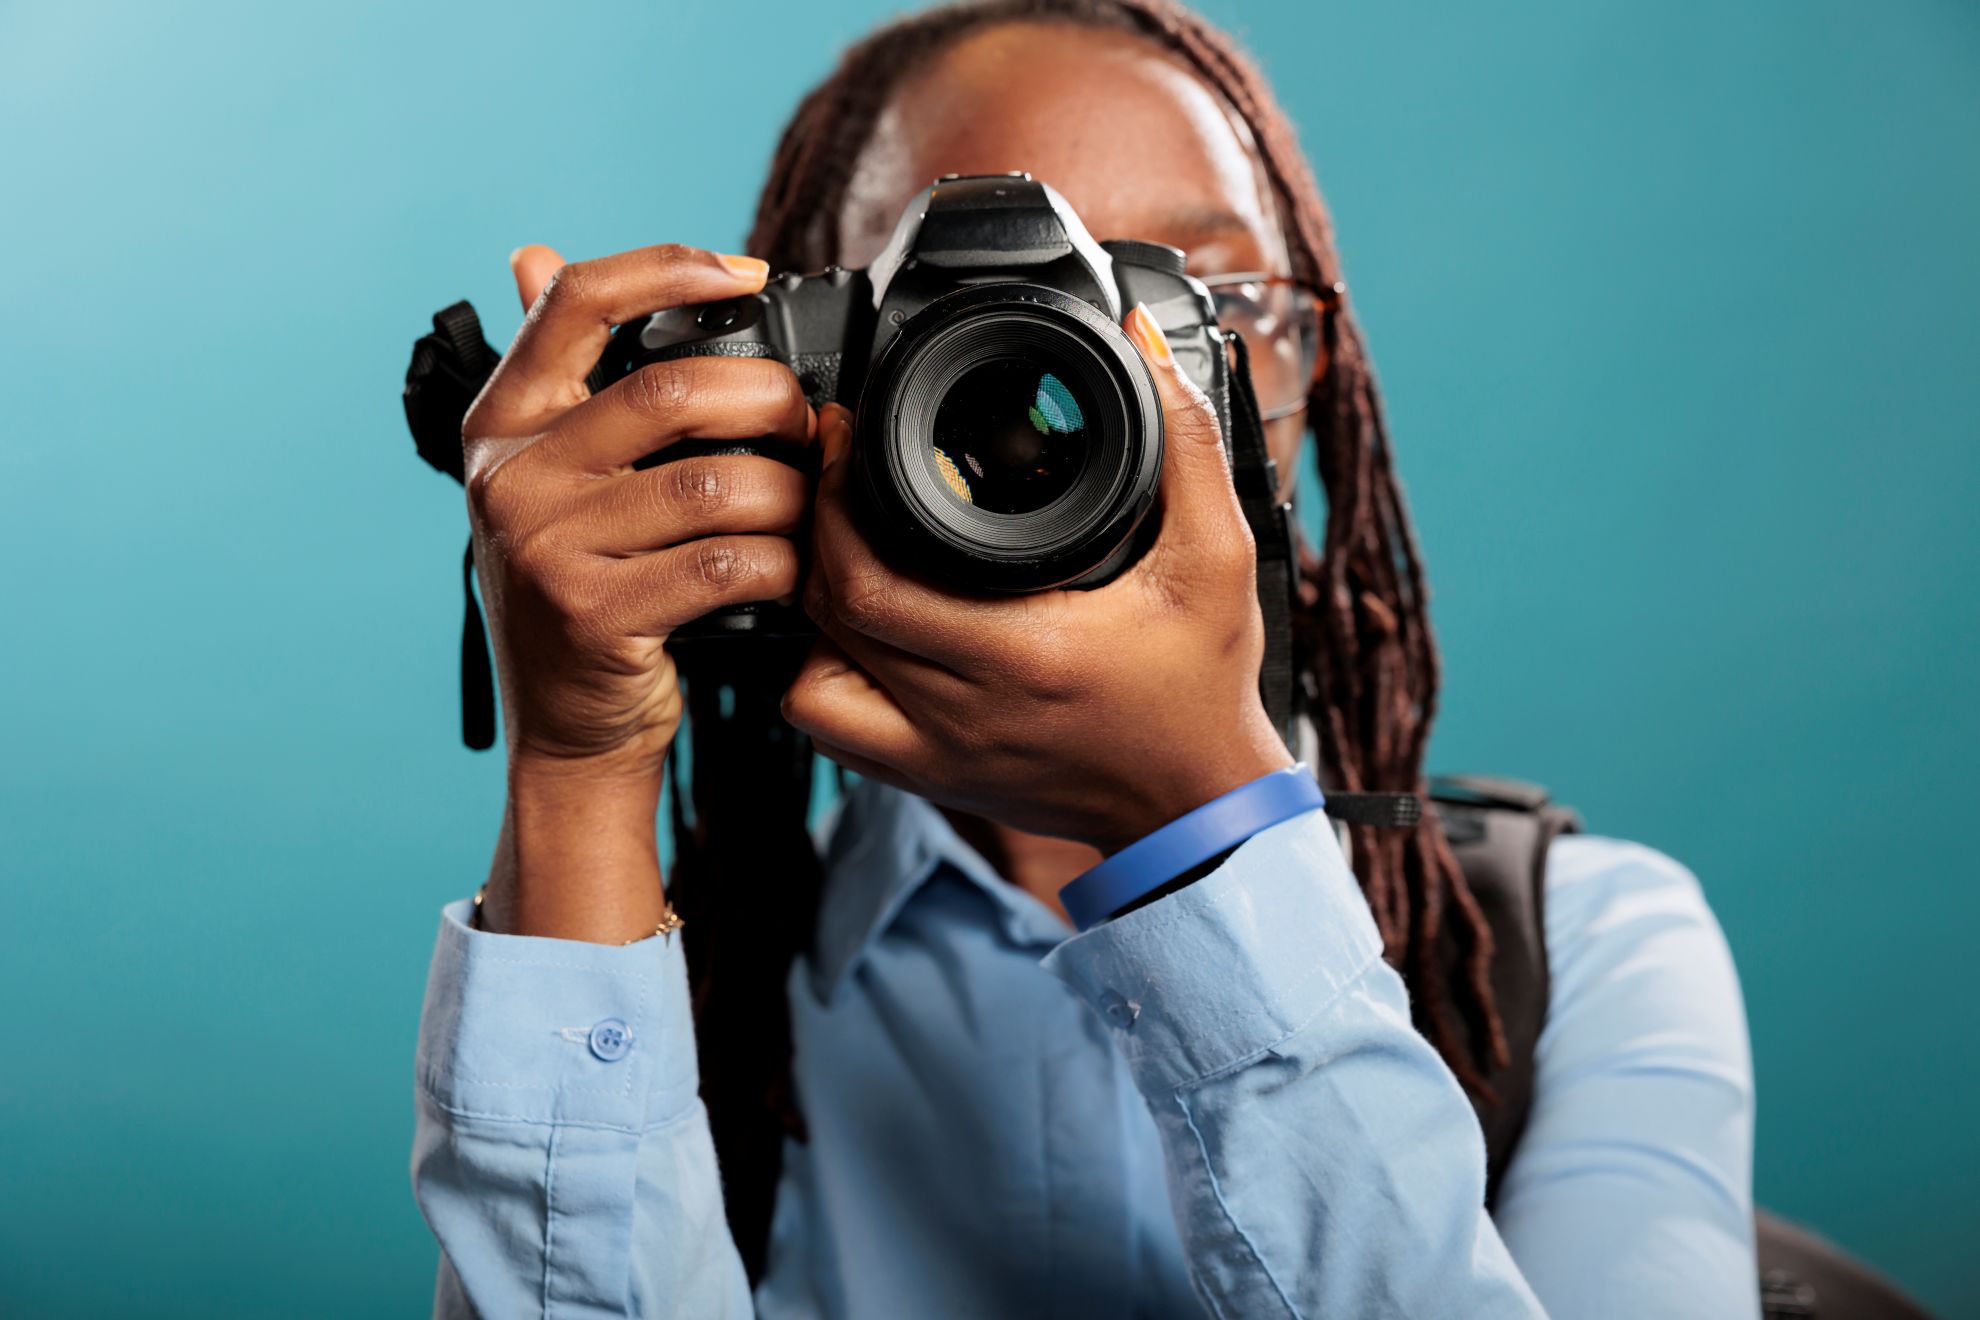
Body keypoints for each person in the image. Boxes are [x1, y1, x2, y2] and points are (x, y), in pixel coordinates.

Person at [409, 1, 1756, 1315]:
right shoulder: (698, 987)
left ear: (1313, 371)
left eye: (1208, 298)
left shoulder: (1585, 945)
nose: (1108, 378)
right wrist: (578, 767)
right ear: (787, 377)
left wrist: (1196, 825)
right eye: (942, 311)